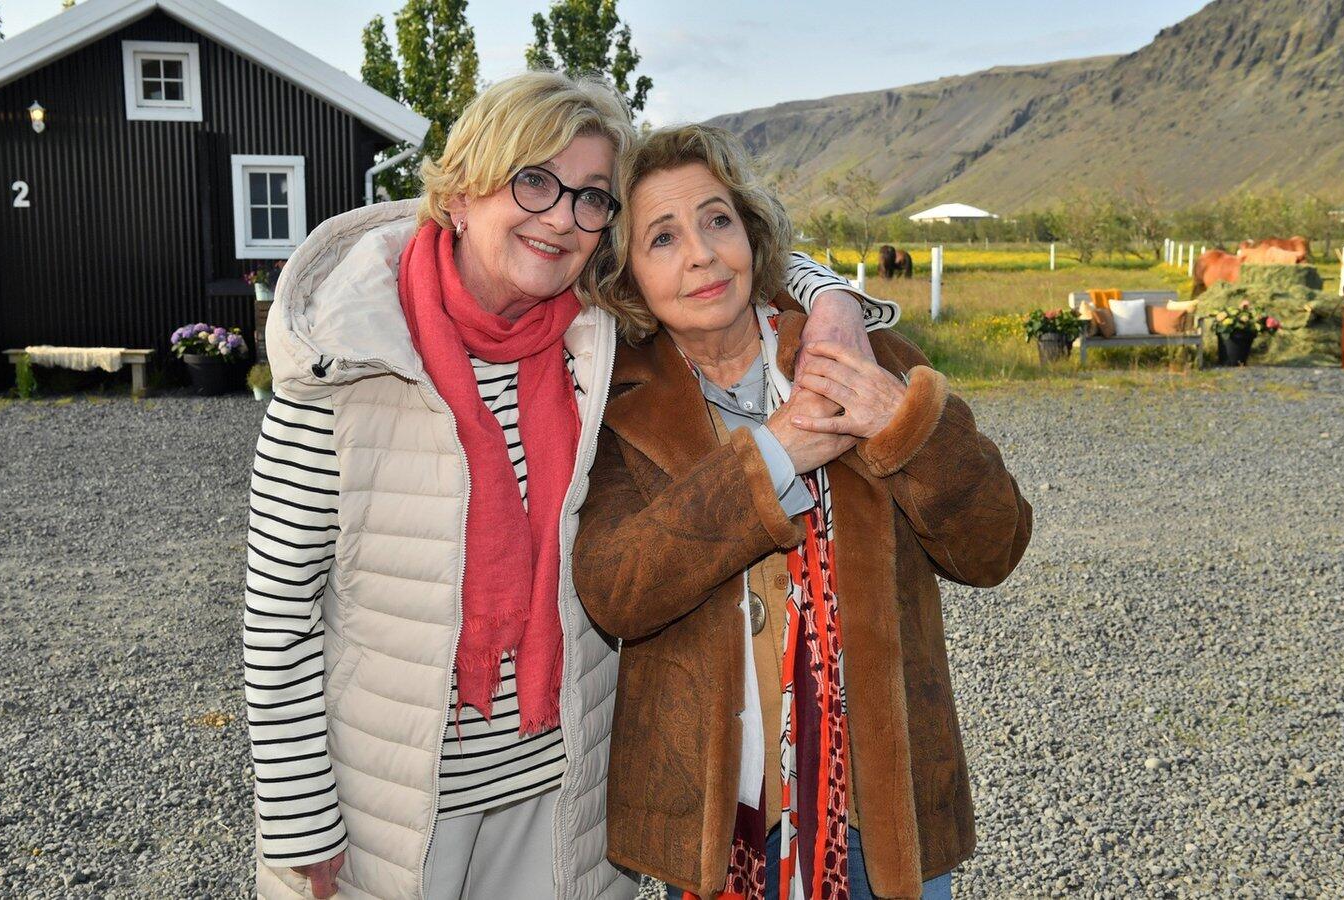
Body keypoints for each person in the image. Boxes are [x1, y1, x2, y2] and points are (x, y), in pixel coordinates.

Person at [244, 73, 898, 900]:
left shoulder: (593, 337)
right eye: (534, 181)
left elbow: (728, 256)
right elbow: (279, 609)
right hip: (396, 806)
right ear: (463, 191)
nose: (560, 218)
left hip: (561, 799)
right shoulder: (350, 356)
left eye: (591, 197)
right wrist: (300, 815)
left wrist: (831, 298)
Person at [572, 124, 1033, 900]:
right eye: (663, 237)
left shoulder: (862, 356)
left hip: (885, 813)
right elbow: (616, 589)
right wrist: (772, 456)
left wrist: (903, 423)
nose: (702, 255)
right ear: (628, 277)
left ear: (751, 234)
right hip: (723, 821)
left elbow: (996, 545)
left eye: (717, 220)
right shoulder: (618, 407)